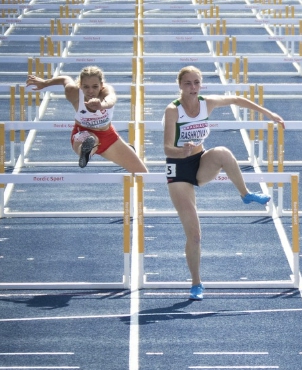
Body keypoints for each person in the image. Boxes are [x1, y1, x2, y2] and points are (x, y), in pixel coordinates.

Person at [163, 66, 285, 301]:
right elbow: (167, 148)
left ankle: (245, 194)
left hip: (199, 161)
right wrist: (181, 150)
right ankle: (196, 283)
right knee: (195, 235)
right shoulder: (173, 111)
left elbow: (237, 99)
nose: (193, 88)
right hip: (178, 168)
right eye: (188, 83)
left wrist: (268, 113)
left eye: (196, 83)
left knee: (223, 152)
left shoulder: (207, 102)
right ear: (180, 85)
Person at [25, 67, 148, 173]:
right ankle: (85, 153)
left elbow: (111, 99)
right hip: (82, 133)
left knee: (142, 173)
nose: (90, 91)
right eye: (86, 87)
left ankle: (98, 149)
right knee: (91, 139)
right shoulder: (73, 92)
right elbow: (65, 79)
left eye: (95, 87)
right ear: (80, 86)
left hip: (108, 136)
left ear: (101, 86)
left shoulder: (106, 91)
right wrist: (45, 83)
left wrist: (101, 105)